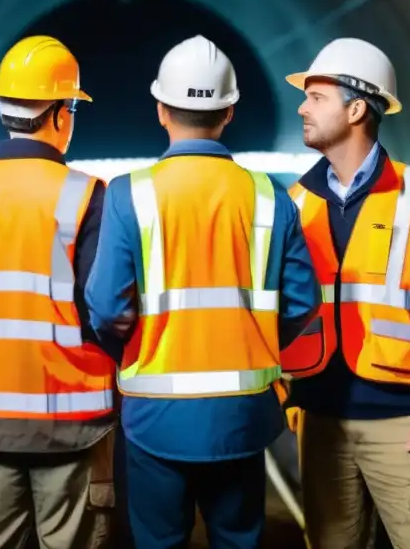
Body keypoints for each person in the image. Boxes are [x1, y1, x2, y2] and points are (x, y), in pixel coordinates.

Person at [85, 35, 321, 549]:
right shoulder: (268, 197)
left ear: (161, 110)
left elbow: (105, 307)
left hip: (155, 418)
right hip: (241, 416)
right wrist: (253, 337)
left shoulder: (130, 193)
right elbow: (304, 303)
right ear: (229, 112)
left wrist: (133, 345)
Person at [281, 38, 410, 549]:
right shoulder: (296, 202)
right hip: (322, 421)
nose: (302, 106)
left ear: (356, 108)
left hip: (405, 425)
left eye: (317, 96)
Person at [0, 35, 117, 549]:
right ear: (60, 114)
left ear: (3, 108)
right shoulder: (85, 195)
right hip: (73, 419)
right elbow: (103, 308)